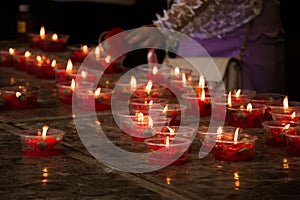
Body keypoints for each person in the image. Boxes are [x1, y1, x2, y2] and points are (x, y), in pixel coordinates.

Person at [125, 0, 286, 93]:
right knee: (193, 115)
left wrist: (166, 26)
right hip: (192, 33)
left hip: (243, 33)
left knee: (246, 120)